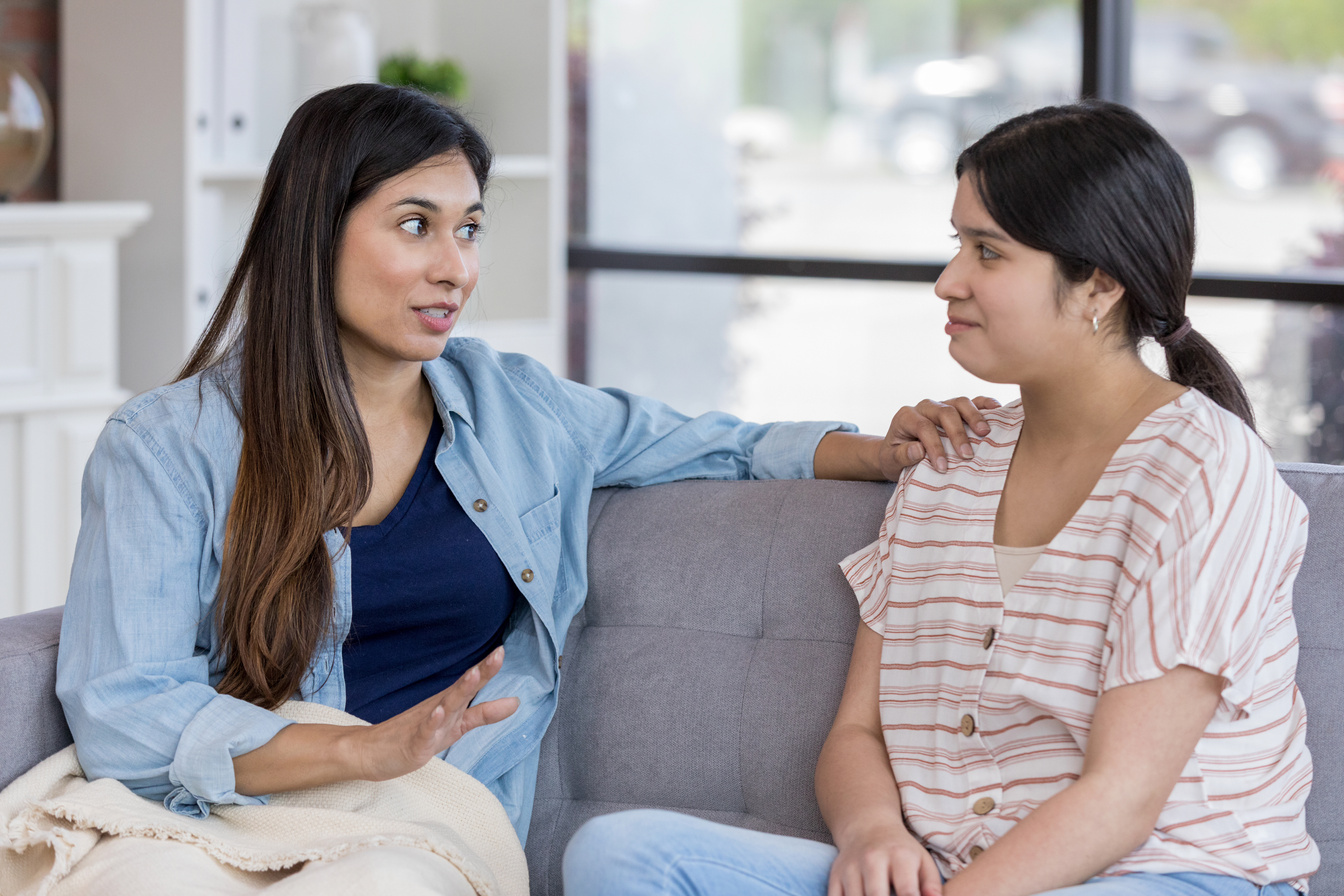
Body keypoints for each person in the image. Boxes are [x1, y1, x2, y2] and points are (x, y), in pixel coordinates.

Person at [53, 82, 992, 849]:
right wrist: (357, 753)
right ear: (315, 232)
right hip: (219, 818)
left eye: (468, 229)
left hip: (425, 824)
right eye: (415, 224)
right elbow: (122, 708)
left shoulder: (514, 407)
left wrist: (882, 448)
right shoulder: (169, 444)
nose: (455, 267)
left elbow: (719, 443)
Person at [562, 101, 1318, 895]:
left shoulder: (1204, 468)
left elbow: (1122, 800)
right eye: (956, 243)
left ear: (1099, 285)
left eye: (987, 252)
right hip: (954, 875)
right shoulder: (950, 461)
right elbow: (858, 731)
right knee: (621, 855)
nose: (947, 281)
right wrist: (873, 834)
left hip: (1169, 874)